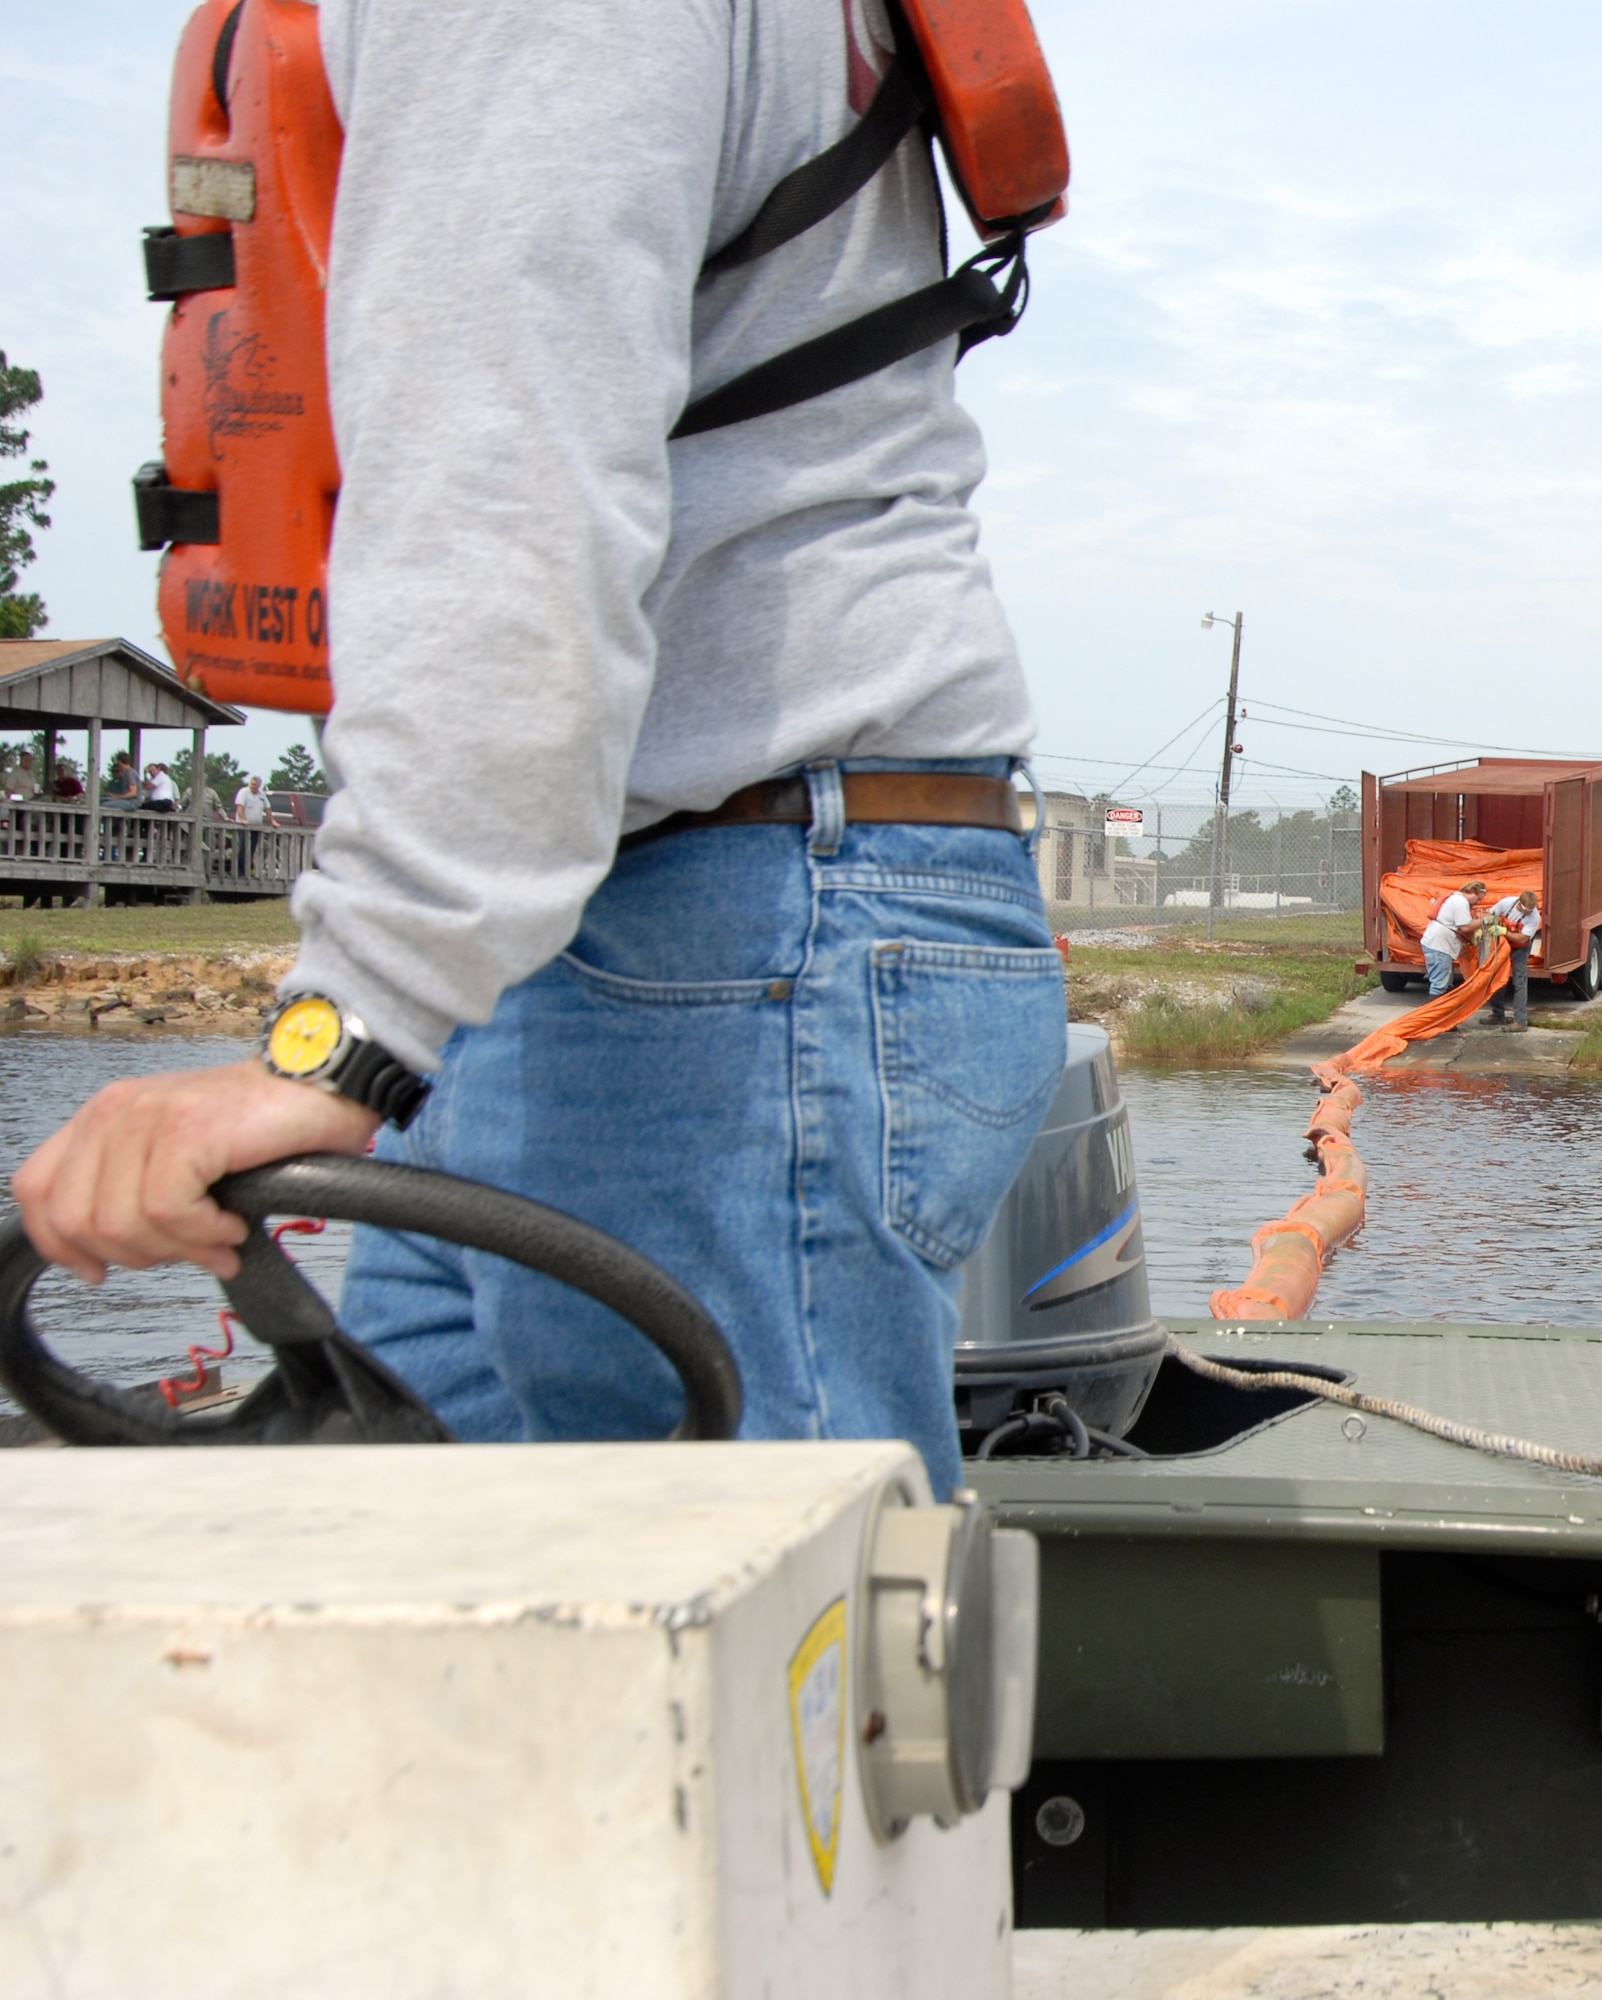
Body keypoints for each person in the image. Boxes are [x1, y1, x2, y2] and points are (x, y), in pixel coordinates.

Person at [11, 0, 1067, 1500]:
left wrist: (354, 1027)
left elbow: (505, 496)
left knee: (757, 1670)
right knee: (456, 1612)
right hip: (650, 931)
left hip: (730, 951)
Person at [1419, 878, 1487, 1011]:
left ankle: (1445, 1019)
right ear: (1473, 892)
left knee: (1445, 983)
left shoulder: (1454, 899)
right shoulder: (1460, 901)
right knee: (1439, 985)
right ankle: (1432, 1021)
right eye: (1478, 899)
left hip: (1435, 944)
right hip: (1439, 946)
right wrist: (1485, 921)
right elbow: (1466, 927)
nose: (1477, 903)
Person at [1486, 889, 1540, 1032]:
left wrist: (1504, 932)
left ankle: (1520, 1022)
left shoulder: (1534, 917)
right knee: (1497, 977)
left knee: (1519, 981)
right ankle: (1498, 1015)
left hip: (1520, 948)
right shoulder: (1506, 903)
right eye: (1526, 910)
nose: (1529, 912)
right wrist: (1486, 927)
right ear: (1519, 904)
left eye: (1531, 910)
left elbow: (1523, 938)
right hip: (1501, 945)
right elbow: (1490, 916)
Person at [234, 775, 270, 873]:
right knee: (243, 848)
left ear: (259, 786)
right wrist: (242, 819)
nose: (253, 786)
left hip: (256, 826)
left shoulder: (261, 794)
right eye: (252, 784)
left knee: (252, 849)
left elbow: (267, 808)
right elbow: (240, 806)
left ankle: (247, 870)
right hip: (244, 826)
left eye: (256, 785)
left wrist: (272, 821)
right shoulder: (243, 792)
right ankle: (239, 871)